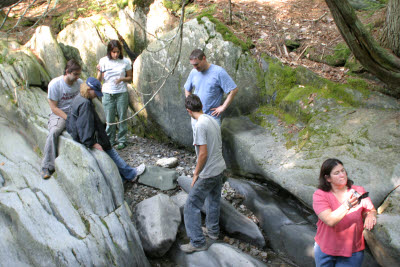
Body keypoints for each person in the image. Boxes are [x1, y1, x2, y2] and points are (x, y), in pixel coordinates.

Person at [66, 77, 145, 182]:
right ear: (89, 89)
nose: (97, 95)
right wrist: (92, 143)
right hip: (88, 138)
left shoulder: (79, 98)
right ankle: (131, 174)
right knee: (111, 152)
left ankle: (123, 177)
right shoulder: (85, 104)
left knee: (110, 152)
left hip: (81, 135)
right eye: (96, 92)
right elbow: (85, 126)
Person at [180, 95, 226, 253]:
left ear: (188, 111)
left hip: (209, 172)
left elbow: (203, 154)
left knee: (191, 205)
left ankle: (198, 242)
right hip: (220, 168)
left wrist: (195, 174)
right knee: (213, 200)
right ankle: (213, 232)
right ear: (201, 106)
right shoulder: (212, 119)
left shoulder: (200, 125)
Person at [313, 158, 377, 267]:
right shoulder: (320, 195)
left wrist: (370, 214)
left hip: (353, 251)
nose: (342, 175)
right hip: (326, 249)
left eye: (343, 171)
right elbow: (330, 220)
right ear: (328, 178)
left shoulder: (359, 191)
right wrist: (348, 205)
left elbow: (370, 209)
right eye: (337, 173)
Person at [40, 59, 83, 179]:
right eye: (75, 74)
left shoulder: (79, 83)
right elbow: (53, 107)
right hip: (59, 113)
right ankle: (47, 165)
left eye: (79, 74)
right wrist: (68, 119)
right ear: (67, 72)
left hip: (76, 112)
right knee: (54, 132)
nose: (77, 77)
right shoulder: (55, 84)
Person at [184, 49, 238, 126]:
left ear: (204, 58)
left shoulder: (218, 72)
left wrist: (223, 107)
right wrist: (190, 104)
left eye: (196, 64)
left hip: (212, 118)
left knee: (214, 138)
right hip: (196, 118)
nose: (195, 67)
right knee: (197, 138)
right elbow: (187, 89)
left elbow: (234, 90)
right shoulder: (193, 72)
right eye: (193, 65)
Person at [97, 40, 133, 150]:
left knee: (122, 116)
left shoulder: (125, 61)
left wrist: (122, 79)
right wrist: (98, 71)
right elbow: (99, 79)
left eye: (117, 52)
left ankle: (122, 140)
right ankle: (110, 140)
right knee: (109, 118)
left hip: (121, 92)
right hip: (107, 92)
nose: (115, 54)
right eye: (113, 52)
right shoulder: (103, 61)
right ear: (109, 52)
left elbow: (130, 78)